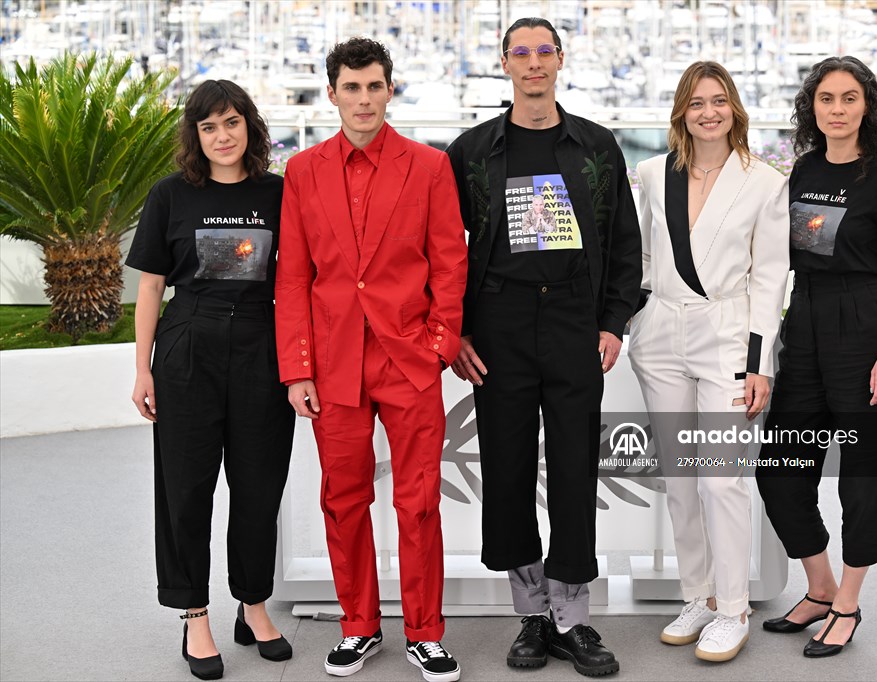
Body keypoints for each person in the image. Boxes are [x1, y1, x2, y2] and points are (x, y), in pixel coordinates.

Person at [446, 17, 641, 678]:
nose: (533, 63)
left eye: (543, 51)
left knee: (575, 465)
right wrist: (457, 330)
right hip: (497, 323)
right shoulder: (473, 151)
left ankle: (573, 617)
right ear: (505, 63)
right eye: (520, 52)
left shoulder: (596, 146)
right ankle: (530, 615)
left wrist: (613, 322)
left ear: (561, 59)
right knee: (504, 468)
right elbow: (446, 251)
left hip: (572, 322)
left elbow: (624, 245)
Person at [274, 38, 467, 682]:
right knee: (343, 499)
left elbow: (449, 262)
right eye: (351, 88)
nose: (363, 99)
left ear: (391, 90)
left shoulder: (429, 167)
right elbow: (293, 277)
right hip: (333, 364)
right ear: (332, 94)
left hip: (409, 360)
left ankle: (425, 632)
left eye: (373, 86)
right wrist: (298, 368)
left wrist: (440, 344)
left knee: (417, 503)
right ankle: (358, 627)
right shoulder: (302, 172)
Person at [128, 80, 295, 681]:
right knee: (187, 490)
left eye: (231, 123)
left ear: (249, 127)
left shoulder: (280, 193)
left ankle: (253, 607)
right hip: (188, 346)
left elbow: (298, 279)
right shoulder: (170, 195)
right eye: (208, 127)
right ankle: (194, 615)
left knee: (258, 487)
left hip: (261, 347)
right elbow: (150, 286)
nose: (221, 136)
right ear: (195, 137)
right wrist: (142, 366)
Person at [755, 55, 877, 658]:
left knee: (861, 477)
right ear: (812, 107)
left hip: (867, 325)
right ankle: (819, 587)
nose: (838, 109)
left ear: (866, 107)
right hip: (807, 328)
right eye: (827, 99)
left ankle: (848, 604)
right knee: (779, 472)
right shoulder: (802, 170)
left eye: (850, 98)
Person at [629, 61, 789, 663]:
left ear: (735, 110)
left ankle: (733, 607)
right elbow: (643, 258)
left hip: (728, 336)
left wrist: (759, 363)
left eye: (719, 101)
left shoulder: (764, 183)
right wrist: (639, 320)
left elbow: (771, 281)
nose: (708, 112)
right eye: (696, 103)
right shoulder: (652, 172)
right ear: (681, 112)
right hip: (662, 336)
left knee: (721, 479)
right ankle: (697, 596)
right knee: (679, 479)